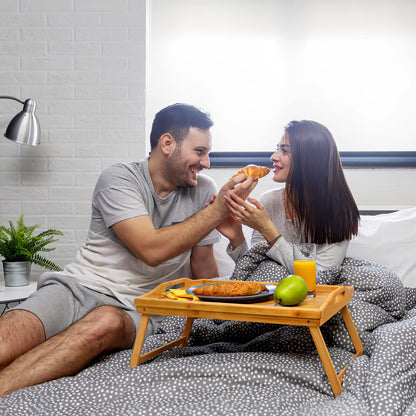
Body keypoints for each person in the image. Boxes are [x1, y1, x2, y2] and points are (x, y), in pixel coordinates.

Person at [0, 103, 256, 397]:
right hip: (77, 287)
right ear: (167, 143)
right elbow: (150, 249)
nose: (206, 163)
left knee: (104, 323)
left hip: (139, 307)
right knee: (13, 334)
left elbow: (203, 270)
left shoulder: (203, 189)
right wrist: (216, 211)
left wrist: (216, 317)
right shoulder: (120, 178)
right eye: (199, 152)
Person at [219, 120, 360, 272]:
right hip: (272, 291)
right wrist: (236, 238)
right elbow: (254, 270)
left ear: (310, 160)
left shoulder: (339, 211)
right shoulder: (270, 201)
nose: (273, 156)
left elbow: (319, 277)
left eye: (285, 151)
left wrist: (267, 228)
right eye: (277, 149)